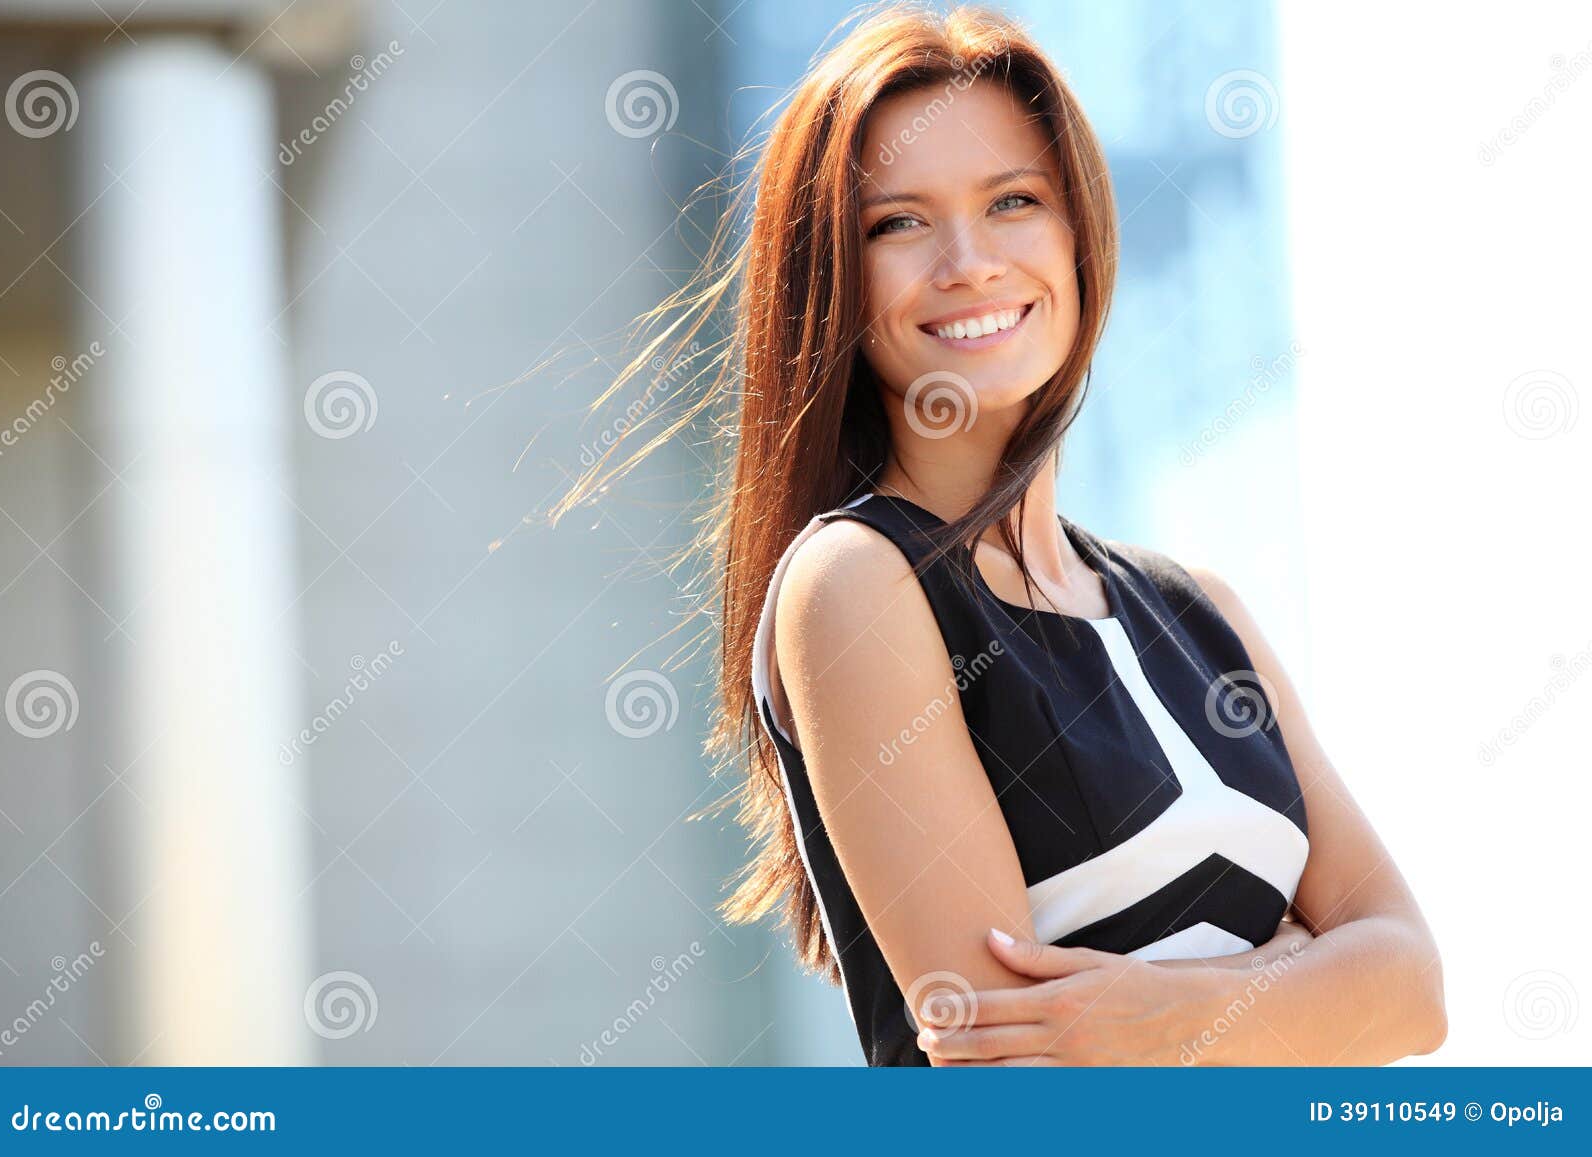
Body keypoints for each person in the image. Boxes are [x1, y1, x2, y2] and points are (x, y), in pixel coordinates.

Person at [559, 3, 1446, 1066]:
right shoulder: (857, 582)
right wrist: (1302, 979)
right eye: (899, 222)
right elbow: (1008, 1065)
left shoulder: (1200, 611)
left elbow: (1413, 987)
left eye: (1014, 201)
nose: (969, 262)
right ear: (834, 277)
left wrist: (1168, 1017)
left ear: (1078, 233)